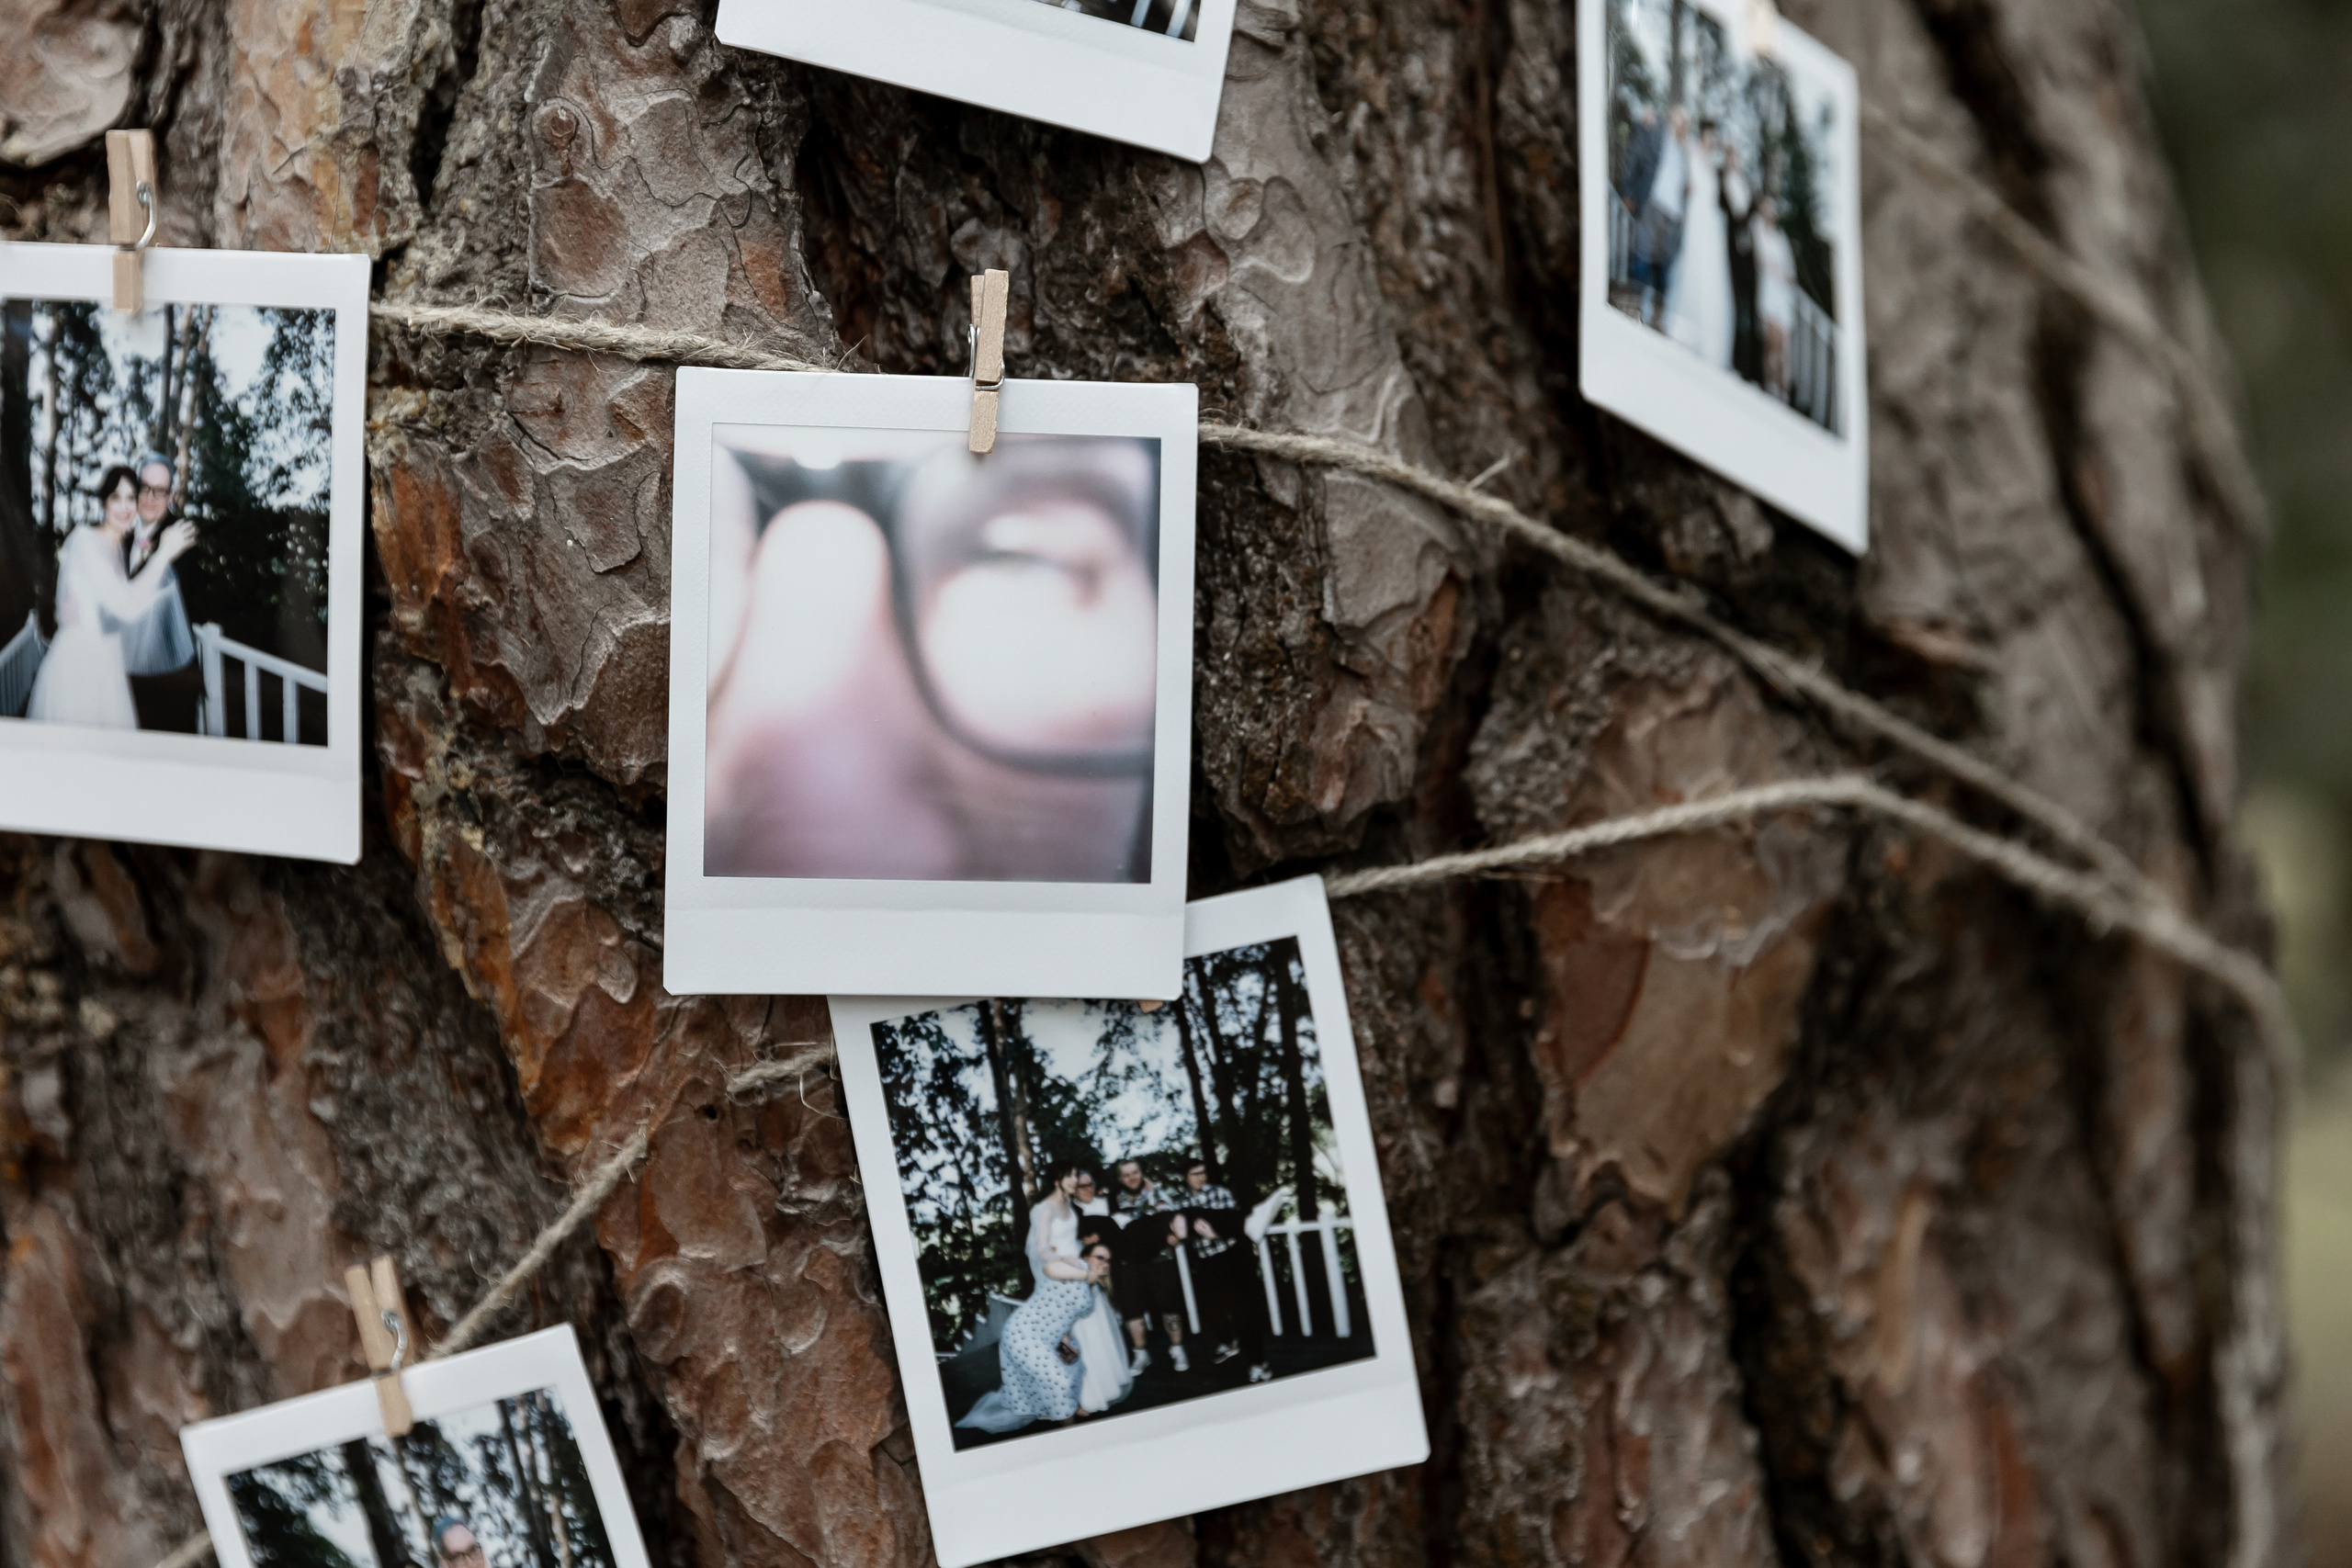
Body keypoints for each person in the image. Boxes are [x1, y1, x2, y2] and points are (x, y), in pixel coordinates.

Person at [27, 466, 198, 730]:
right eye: (116, 498)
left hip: (110, 666)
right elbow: (126, 607)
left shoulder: (120, 550)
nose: (125, 507)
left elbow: (129, 609)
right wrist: (164, 554)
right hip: (79, 669)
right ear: (104, 501)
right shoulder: (85, 540)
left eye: (131, 498)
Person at [956, 1165, 1116, 1432]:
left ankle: (1090, 1395)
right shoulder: (1044, 1209)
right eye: (1071, 1176)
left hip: (1079, 1270)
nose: (1075, 1181)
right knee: (1060, 1351)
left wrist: (1086, 1261)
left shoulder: (1071, 1206)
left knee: (1081, 1339)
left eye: (1077, 1176)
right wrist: (1069, 1265)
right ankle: (1069, 1416)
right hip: (1062, 1272)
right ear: (1057, 1180)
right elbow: (1042, 1249)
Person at [122, 455, 201, 732]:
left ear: (171, 496)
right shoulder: (122, 537)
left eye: (161, 490)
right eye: (145, 487)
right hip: (123, 676)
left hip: (168, 680)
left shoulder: (181, 537)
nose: (151, 497)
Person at [1663, 120, 1736, 369]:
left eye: (1714, 137)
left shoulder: (1714, 165)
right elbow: (1678, 170)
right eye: (1709, 135)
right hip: (1695, 219)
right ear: (1703, 134)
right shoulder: (1691, 151)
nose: (1711, 140)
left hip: (1711, 226)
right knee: (1691, 266)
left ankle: (1708, 339)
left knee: (1711, 276)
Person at [1065, 1171, 1136, 1414]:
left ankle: (1108, 1381)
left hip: (1103, 1268)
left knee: (1102, 1327)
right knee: (1083, 1331)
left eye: (1089, 1184)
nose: (1086, 1189)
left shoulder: (1107, 1202)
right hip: (1079, 1270)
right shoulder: (1067, 1212)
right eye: (1080, 1186)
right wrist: (1085, 1244)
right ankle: (1088, 1391)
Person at [1111, 1158, 1186, 1374]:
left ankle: (1177, 1349)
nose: (1131, 1178)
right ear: (1120, 1178)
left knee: (1169, 1306)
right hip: (1130, 1264)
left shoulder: (1159, 1194)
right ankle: (1141, 1354)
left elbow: (1176, 1223)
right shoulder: (1116, 1199)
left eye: (1134, 1172)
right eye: (1126, 1174)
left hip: (1160, 1261)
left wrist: (1175, 1239)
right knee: (1132, 1310)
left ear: (1141, 1172)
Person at [1635, 107, 1693, 328]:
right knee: (1642, 256)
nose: (1682, 123)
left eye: (1686, 121)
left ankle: (1657, 318)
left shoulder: (1684, 150)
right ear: (1672, 117)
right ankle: (1635, 307)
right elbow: (1647, 124)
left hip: (1674, 216)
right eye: (1680, 117)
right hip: (1655, 206)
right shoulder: (1661, 133)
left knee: (1664, 269)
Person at [1719, 145, 1762, 385]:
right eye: (1730, 156)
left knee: (1752, 310)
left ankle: (1753, 370)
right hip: (1733, 254)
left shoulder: (1745, 184)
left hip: (1749, 256)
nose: (1734, 160)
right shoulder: (1722, 181)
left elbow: (1749, 213)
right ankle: (1739, 363)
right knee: (1737, 309)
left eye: (1736, 156)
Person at [1753, 192, 1799, 401]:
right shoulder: (1757, 229)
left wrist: (1786, 276)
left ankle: (1782, 390)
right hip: (1767, 290)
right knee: (1770, 341)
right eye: (1766, 207)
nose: (1769, 212)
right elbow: (1760, 260)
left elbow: (1790, 270)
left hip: (1781, 294)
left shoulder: (1781, 238)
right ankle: (1770, 385)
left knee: (1782, 345)